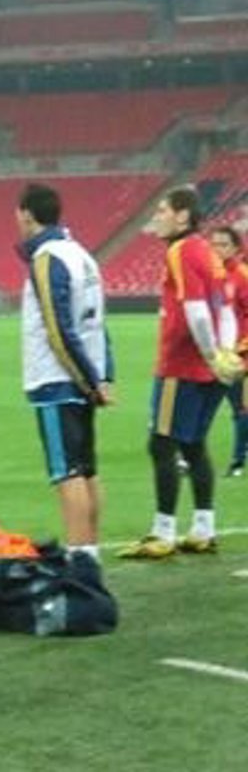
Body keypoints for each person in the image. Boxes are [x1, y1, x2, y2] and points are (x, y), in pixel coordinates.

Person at [119, 187, 241, 560]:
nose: (156, 217)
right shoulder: (208, 252)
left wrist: (210, 354)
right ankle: (203, 528)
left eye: (162, 210)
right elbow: (225, 308)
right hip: (209, 370)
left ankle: (164, 532)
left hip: (181, 367)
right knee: (193, 444)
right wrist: (223, 353)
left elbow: (197, 310)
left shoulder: (181, 250)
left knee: (161, 444)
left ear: (183, 216)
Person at [16, 183, 114, 563]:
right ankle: (90, 554)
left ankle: (79, 560)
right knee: (87, 470)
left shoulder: (47, 258)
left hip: (57, 379)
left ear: (27, 214)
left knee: (67, 473)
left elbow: (58, 329)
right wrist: (101, 377)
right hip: (85, 375)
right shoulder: (82, 255)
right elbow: (98, 325)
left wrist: (87, 379)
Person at [209, 226, 248, 477]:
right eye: (214, 244)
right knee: (200, 406)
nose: (217, 249)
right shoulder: (209, 275)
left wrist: (241, 350)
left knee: (240, 407)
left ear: (236, 248)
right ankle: (187, 457)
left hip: (235, 355)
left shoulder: (242, 276)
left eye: (223, 244)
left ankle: (237, 461)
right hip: (211, 354)